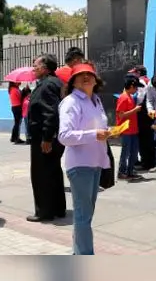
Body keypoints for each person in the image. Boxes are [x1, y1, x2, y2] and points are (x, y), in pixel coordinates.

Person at [58, 63, 111, 255]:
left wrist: (107, 132)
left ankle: (78, 252)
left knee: (86, 215)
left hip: (95, 163)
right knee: (82, 216)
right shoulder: (71, 102)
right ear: (73, 81)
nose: (86, 77)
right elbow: (64, 136)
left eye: (90, 74)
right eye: (81, 75)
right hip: (80, 165)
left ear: (96, 79)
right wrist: (94, 134)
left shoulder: (96, 100)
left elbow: (97, 129)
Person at [27, 53, 67, 223]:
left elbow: (50, 113)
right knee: (53, 172)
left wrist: (47, 138)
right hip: (50, 137)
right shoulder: (53, 83)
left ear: (44, 68)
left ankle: (44, 211)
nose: (33, 68)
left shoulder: (47, 85)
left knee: (41, 174)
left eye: (36, 65)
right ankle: (57, 208)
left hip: (44, 139)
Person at [116, 75, 144, 180]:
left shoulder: (130, 97)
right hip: (126, 130)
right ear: (131, 86)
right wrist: (135, 110)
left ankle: (130, 170)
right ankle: (122, 171)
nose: (136, 89)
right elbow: (121, 115)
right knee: (126, 152)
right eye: (136, 87)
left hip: (132, 129)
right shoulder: (123, 98)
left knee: (133, 151)